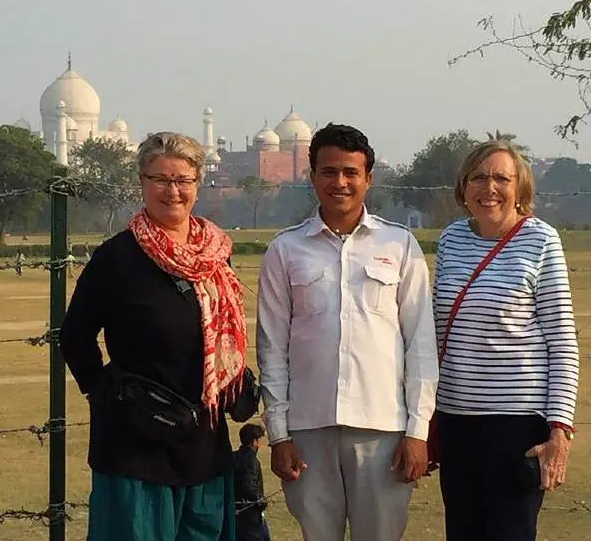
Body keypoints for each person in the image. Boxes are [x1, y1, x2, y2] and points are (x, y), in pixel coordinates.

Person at [59, 131, 248, 541]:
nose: (172, 191)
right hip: (136, 446)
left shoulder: (216, 253)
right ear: (142, 182)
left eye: (183, 180)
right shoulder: (119, 257)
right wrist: (109, 395)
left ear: (198, 184)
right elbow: (75, 336)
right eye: (160, 179)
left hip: (203, 439)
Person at [256, 123, 438, 541]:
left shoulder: (399, 245)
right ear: (313, 176)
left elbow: (420, 344)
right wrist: (279, 434)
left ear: (368, 179)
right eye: (329, 171)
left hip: (382, 428)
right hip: (307, 429)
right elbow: (271, 348)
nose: (340, 183)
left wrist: (417, 431)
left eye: (351, 173)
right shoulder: (286, 249)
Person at [433, 138, 579, 541]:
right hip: (457, 419)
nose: (489, 187)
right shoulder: (451, 240)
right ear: (464, 186)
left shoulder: (541, 240)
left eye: (501, 177)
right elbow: (439, 330)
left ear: (520, 188)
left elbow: (562, 342)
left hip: (516, 424)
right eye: (479, 177)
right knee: (461, 532)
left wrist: (559, 430)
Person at [233, 424, 270, 541]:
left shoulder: (234, 457)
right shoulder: (251, 460)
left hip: (235, 512)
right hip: (250, 516)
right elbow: (249, 485)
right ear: (255, 441)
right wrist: (260, 500)